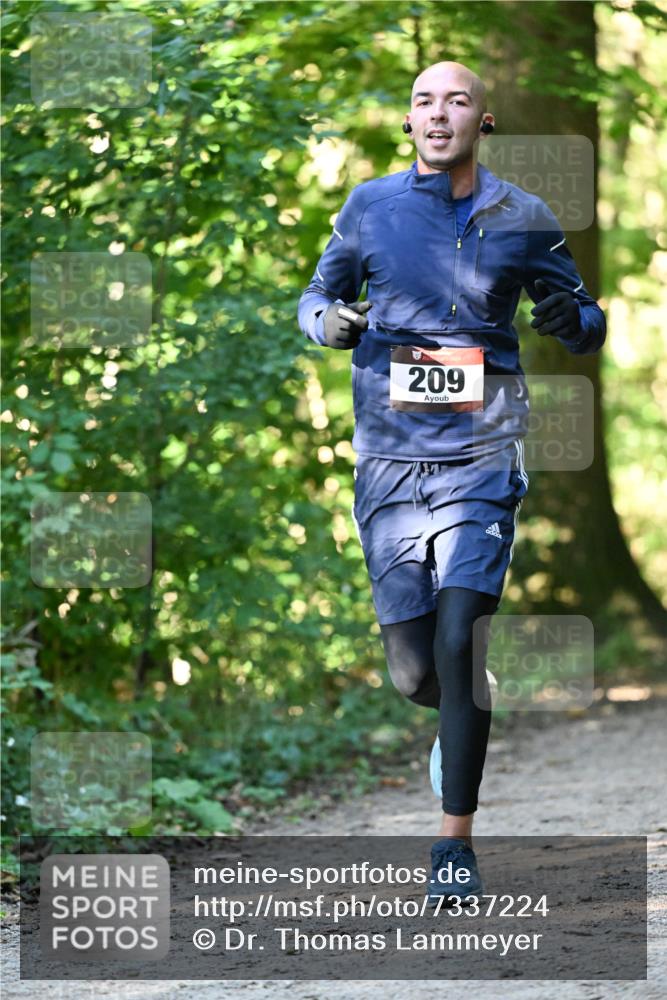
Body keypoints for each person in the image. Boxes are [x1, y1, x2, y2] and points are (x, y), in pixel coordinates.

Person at [297, 60, 606, 905]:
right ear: (410, 122)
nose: (439, 114)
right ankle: (461, 712)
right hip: (390, 461)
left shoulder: (524, 217)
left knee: (460, 639)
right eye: (424, 101)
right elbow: (315, 295)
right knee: (414, 672)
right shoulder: (370, 208)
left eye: (456, 100)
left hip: (481, 454)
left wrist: (567, 319)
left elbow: (586, 324)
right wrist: (328, 321)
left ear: (483, 119)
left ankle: (451, 847)